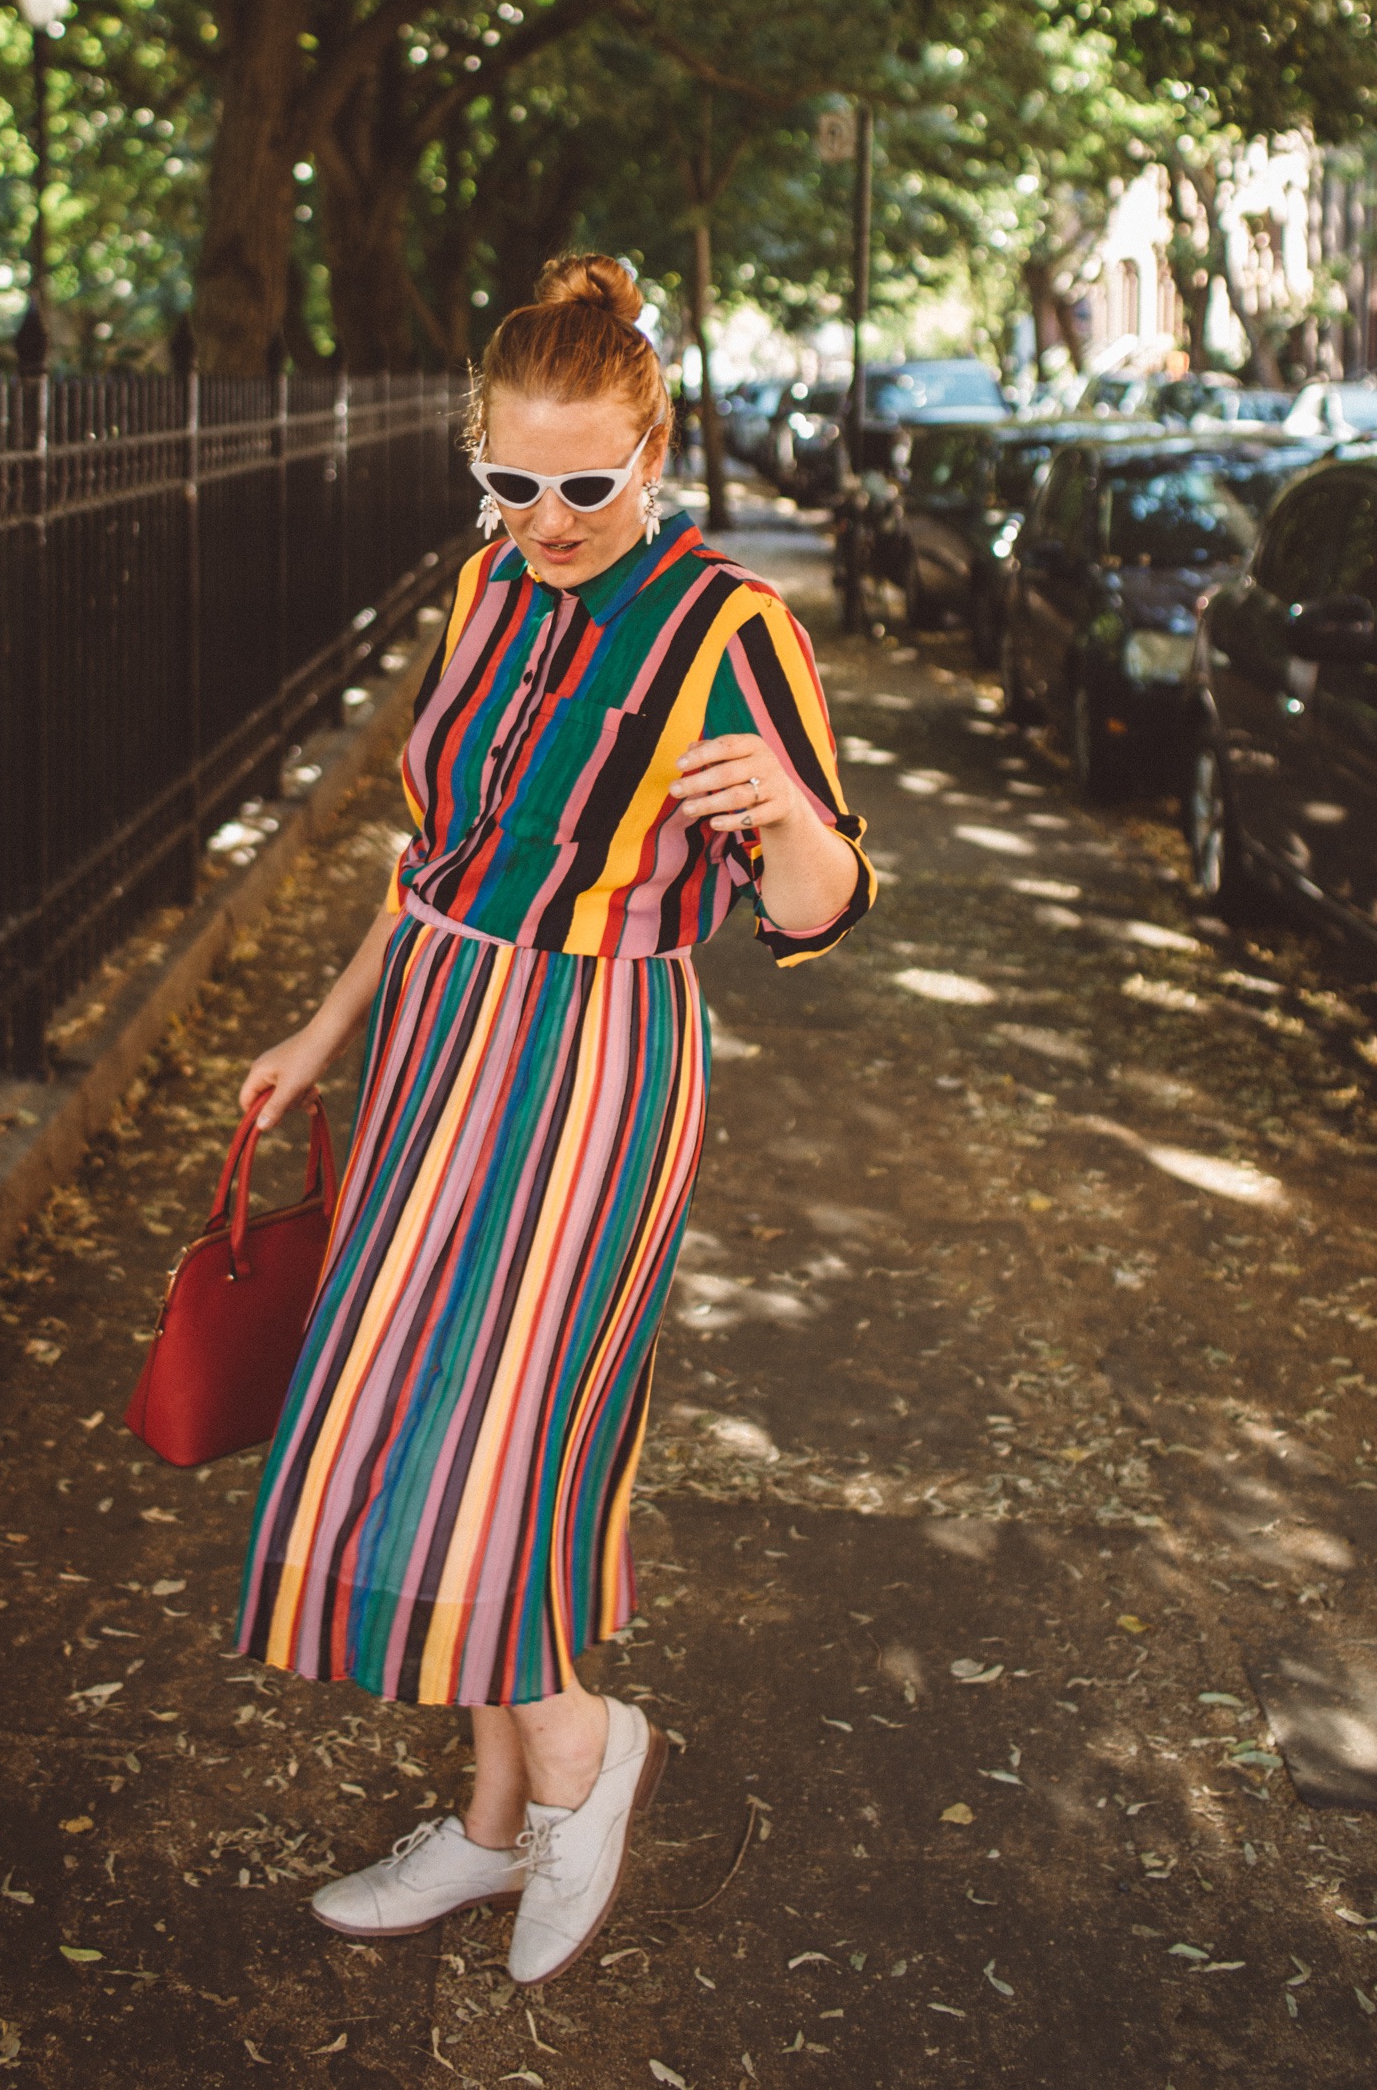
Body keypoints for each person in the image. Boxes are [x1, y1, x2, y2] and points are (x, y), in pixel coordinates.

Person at [232, 255, 874, 1986]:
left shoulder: (730, 626)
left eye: (587, 486)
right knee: (417, 1419)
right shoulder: (483, 588)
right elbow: (431, 861)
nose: (550, 520)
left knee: (494, 1438)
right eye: (512, 482)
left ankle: (582, 1748)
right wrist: (322, 1028)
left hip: (591, 1060)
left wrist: (788, 813)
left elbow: (817, 905)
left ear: (652, 453)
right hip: (433, 1034)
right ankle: (494, 1821)